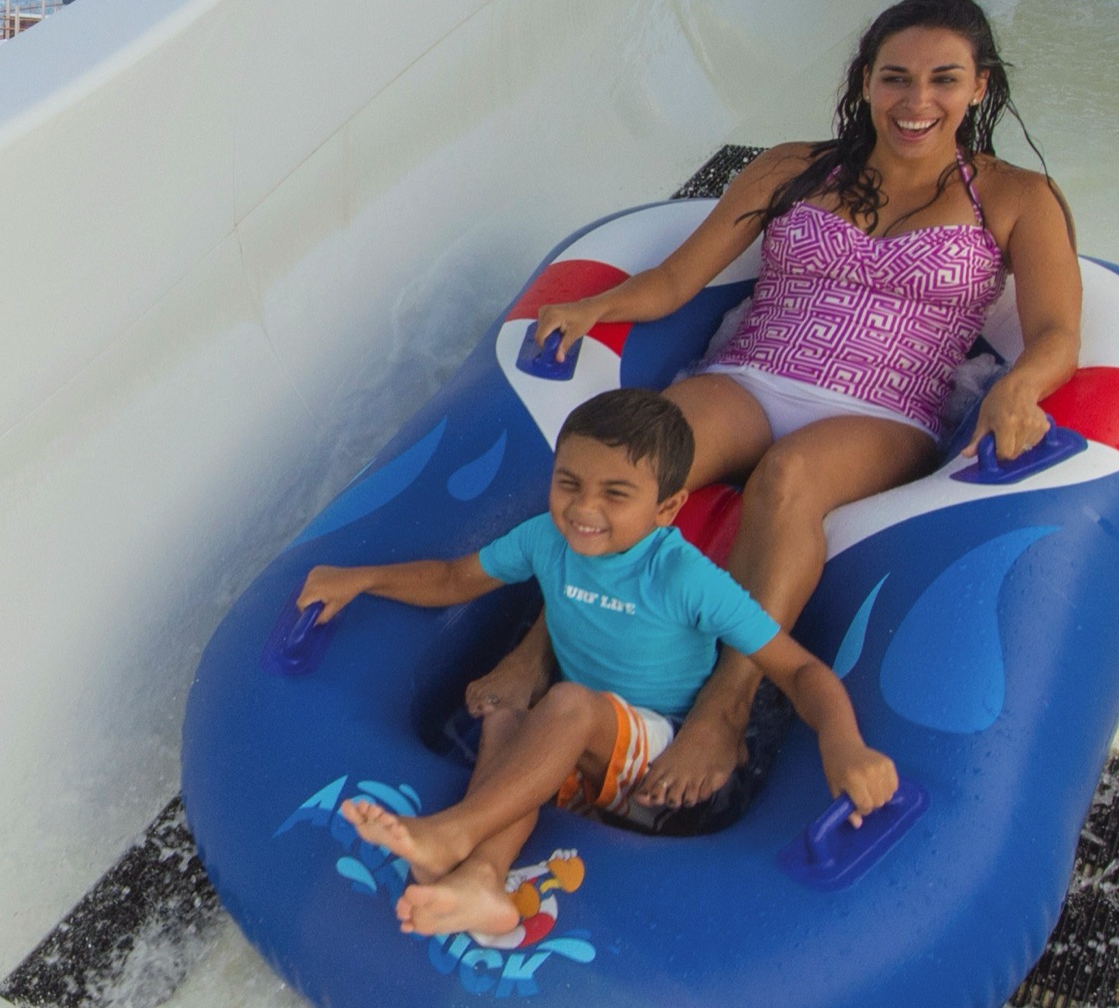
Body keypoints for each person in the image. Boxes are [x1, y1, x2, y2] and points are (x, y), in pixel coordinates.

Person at [525, 0, 1078, 812]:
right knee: (632, 460)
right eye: (895, 78)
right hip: (752, 374)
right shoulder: (791, 167)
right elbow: (677, 279)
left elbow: (1057, 333)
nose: (916, 101)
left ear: (979, 86)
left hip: (884, 411)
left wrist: (1019, 388)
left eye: (943, 79)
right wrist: (591, 308)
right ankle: (535, 650)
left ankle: (726, 707)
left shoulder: (1018, 195)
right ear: (865, 81)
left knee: (786, 479)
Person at [298, 388, 897, 938]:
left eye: (616, 493)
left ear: (667, 509)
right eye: (569, 483)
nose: (584, 508)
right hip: (585, 740)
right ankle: (481, 878)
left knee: (566, 703)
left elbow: (798, 670)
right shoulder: (545, 539)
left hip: (665, 763)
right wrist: (361, 579)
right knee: (507, 713)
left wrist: (844, 744)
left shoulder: (684, 578)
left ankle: (454, 832)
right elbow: (455, 579)